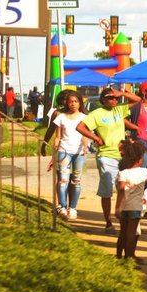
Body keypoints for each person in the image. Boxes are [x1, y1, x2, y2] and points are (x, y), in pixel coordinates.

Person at [76, 87, 141, 233]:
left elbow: (138, 100)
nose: (114, 100)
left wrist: (121, 93)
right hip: (106, 156)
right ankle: (108, 222)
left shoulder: (119, 109)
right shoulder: (97, 114)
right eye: (110, 97)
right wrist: (96, 138)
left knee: (123, 188)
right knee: (107, 190)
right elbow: (80, 127)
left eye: (115, 98)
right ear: (103, 99)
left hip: (121, 155)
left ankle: (124, 220)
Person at [53, 90, 89, 220]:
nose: (73, 104)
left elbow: (85, 135)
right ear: (67, 104)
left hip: (79, 152)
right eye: (70, 102)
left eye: (75, 102)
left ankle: (72, 208)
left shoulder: (84, 118)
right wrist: (54, 151)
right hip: (64, 151)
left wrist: (85, 146)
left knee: (76, 181)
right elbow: (58, 136)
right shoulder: (61, 117)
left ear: (80, 103)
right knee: (63, 180)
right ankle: (62, 207)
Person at [114, 140, 147, 263]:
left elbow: (121, 190)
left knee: (123, 233)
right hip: (136, 207)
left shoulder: (123, 173)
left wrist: (118, 207)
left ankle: (118, 256)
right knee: (131, 234)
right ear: (139, 159)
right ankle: (129, 258)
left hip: (124, 207)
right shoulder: (143, 172)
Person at [127, 81, 147, 168]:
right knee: (143, 161)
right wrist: (135, 127)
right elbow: (123, 119)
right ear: (144, 92)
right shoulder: (137, 106)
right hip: (141, 140)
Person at [41, 90, 71, 157]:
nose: (65, 102)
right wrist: (44, 145)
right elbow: (50, 130)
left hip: (77, 149)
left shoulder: (79, 114)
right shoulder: (57, 113)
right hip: (62, 148)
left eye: (68, 99)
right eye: (64, 99)